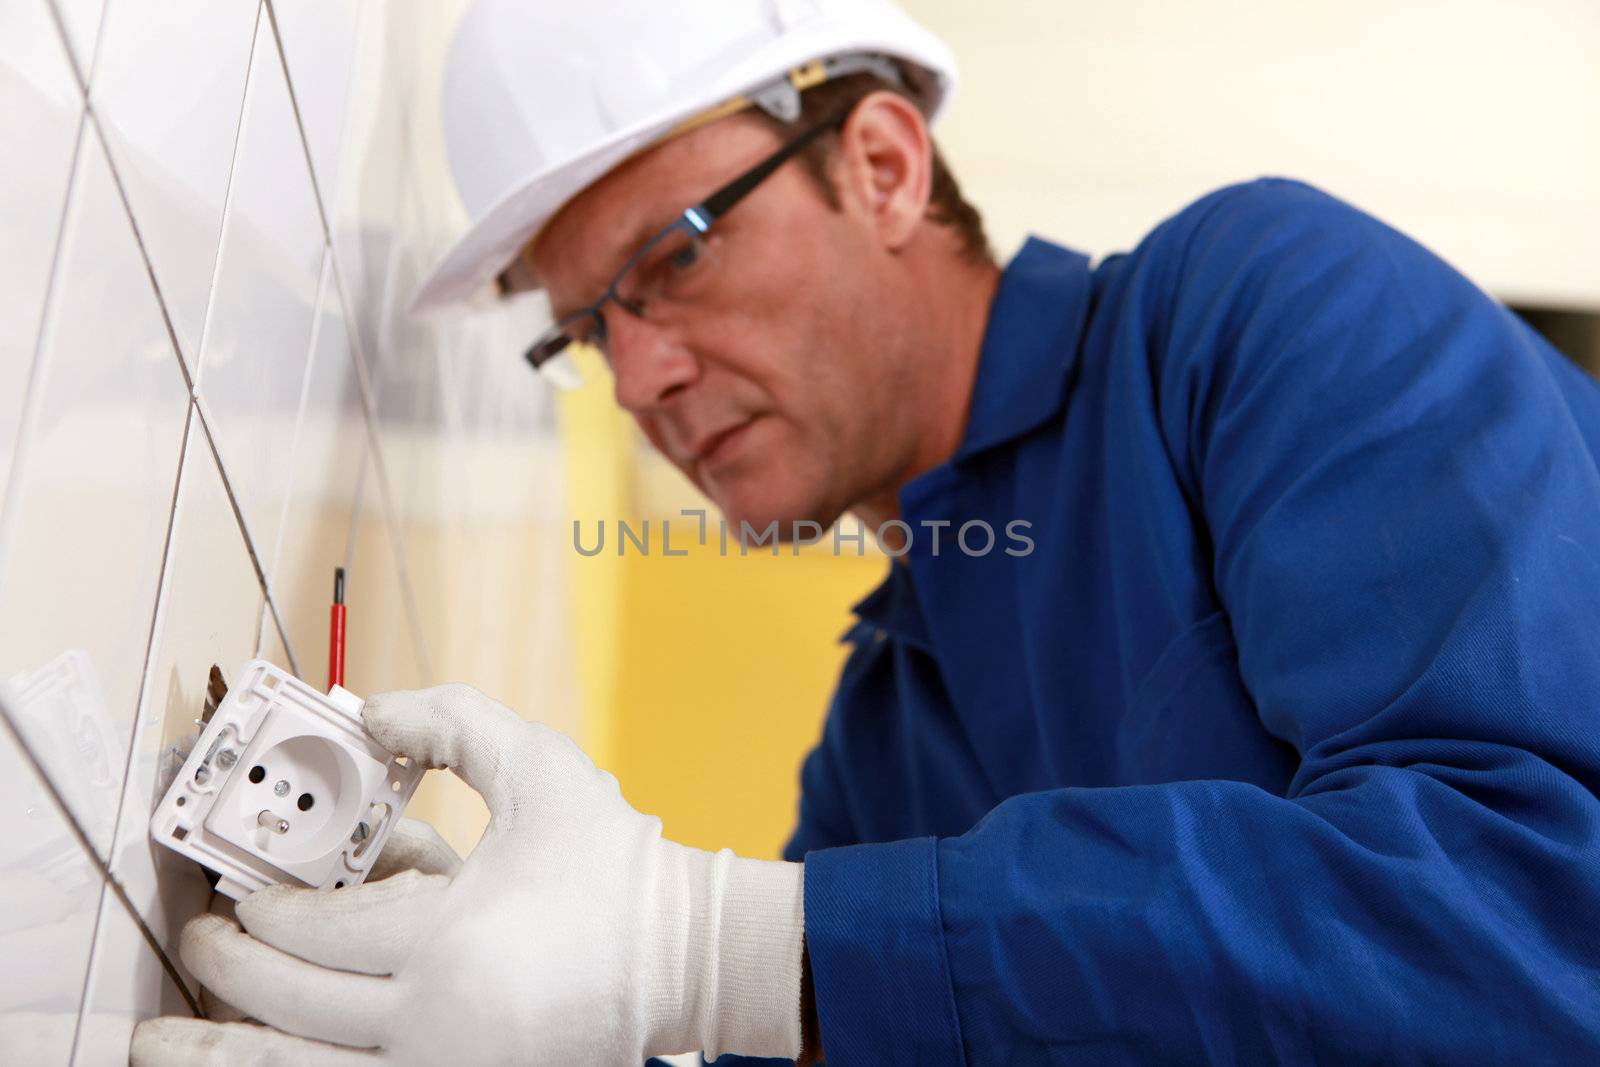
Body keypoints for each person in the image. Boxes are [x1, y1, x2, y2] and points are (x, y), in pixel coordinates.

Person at [133, 0, 1600, 1063]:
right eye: (586, 328)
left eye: (671, 258)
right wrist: (525, 1018)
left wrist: (712, 948)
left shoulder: (1258, 311)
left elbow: (1537, 921)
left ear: (885, 166)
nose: (637, 375)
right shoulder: (881, 752)